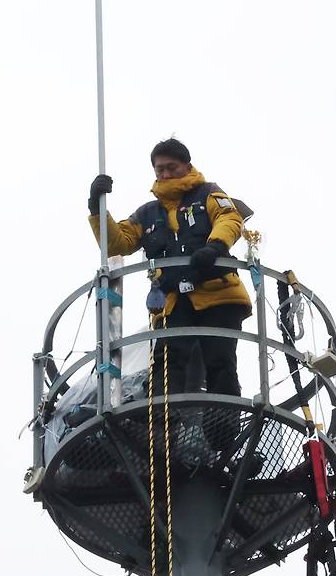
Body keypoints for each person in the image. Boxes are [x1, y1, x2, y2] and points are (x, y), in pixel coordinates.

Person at [88, 137, 252, 449]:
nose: (164, 174)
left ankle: (222, 428)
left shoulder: (209, 194)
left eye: (170, 167)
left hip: (217, 294)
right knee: (168, 362)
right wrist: (96, 206)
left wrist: (215, 247)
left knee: (219, 360)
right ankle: (163, 430)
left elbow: (229, 218)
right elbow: (117, 243)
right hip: (174, 301)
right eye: (159, 169)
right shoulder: (148, 213)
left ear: (187, 166)